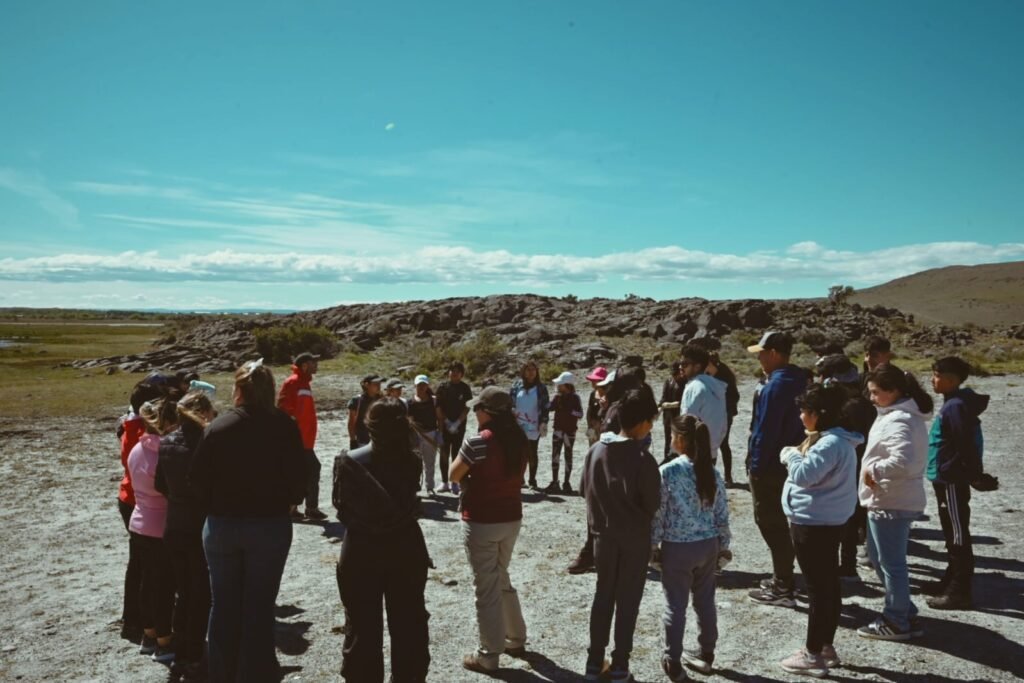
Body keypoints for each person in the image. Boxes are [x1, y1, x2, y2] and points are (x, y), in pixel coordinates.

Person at [190, 359, 307, 683]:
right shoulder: (285, 426)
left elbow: (197, 483)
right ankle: (255, 674)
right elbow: (300, 484)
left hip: (223, 526)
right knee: (259, 606)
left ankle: (221, 673)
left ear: (239, 390)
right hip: (269, 526)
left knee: (223, 605)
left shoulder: (217, 428)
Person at [332, 398, 431, 682]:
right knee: (409, 624)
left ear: (368, 426)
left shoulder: (348, 462)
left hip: (361, 549)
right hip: (405, 547)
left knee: (362, 626)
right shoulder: (412, 461)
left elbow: (342, 510)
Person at [777, 384, 861, 677]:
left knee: (817, 589)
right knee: (828, 585)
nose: (800, 416)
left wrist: (790, 455)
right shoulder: (840, 441)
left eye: (804, 411)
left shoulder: (829, 444)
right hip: (829, 520)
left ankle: (812, 654)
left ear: (817, 414)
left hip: (813, 523)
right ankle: (825, 645)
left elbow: (804, 476)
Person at [582, 389, 661, 683]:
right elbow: (652, 504)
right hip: (634, 541)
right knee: (628, 602)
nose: (651, 426)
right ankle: (619, 666)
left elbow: (584, 490)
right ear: (640, 422)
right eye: (650, 421)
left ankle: (593, 663)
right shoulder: (644, 460)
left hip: (602, 537)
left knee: (603, 596)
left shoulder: (595, 452)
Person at [449, 386, 529, 675]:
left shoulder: (478, 442)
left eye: (477, 408)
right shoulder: (519, 438)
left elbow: (453, 474)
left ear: (487, 412)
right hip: (511, 518)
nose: (474, 413)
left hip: (482, 520)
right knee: (501, 576)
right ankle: (516, 638)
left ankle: (488, 654)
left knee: (486, 588)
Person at [856, 365, 933, 640]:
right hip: (887, 498)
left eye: (876, 392)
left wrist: (872, 471)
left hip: (891, 499)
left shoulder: (900, 419)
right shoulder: (896, 415)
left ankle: (897, 619)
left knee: (891, 563)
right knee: (880, 558)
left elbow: (904, 461)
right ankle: (903, 609)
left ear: (894, 391)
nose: (871, 397)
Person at [652, 415, 730, 681]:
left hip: (678, 547)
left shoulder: (669, 472)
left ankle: (672, 660)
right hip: (708, 545)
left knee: (675, 604)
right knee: (705, 601)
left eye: (673, 435)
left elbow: (659, 513)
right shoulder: (712, 471)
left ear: (681, 440)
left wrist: (653, 545)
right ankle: (706, 654)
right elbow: (722, 512)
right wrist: (724, 546)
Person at [155, 390, 216, 680]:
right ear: (203, 413)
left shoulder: (166, 442)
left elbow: (160, 483)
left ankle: (181, 649)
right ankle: (193, 653)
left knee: (183, 591)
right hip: (199, 528)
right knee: (201, 593)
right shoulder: (207, 444)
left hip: (175, 525)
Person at [745, 331, 807, 607]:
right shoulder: (800, 379)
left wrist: (755, 465)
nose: (758, 357)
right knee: (787, 520)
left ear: (774, 353)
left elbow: (765, 430)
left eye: (761, 352)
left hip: (771, 464)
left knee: (770, 521)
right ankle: (786, 578)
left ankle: (783, 584)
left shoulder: (775, 387)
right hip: (791, 459)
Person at [924, 356, 989, 610]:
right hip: (946, 477)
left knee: (957, 534)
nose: (933, 379)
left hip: (951, 478)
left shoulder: (955, 407)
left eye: (936, 375)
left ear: (950, 380)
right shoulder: (954, 403)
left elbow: (964, 444)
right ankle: (950, 580)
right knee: (952, 531)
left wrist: (974, 475)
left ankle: (959, 591)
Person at [127, 398, 179, 664]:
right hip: (161, 526)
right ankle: (164, 640)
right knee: (165, 587)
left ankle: (148, 635)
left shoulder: (137, 448)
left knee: (147, 583)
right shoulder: (165, 451)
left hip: (139, 523)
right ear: (169, 423)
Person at [816, 353, 876, 576]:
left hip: (849, 466)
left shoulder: (847, 407)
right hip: (861, 464)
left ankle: (847, 564)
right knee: (856, 515)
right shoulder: (864, 403)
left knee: (848, 517)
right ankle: (855, 559)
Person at [116, 380, 166, 643]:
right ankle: (139, 620)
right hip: (142, 503)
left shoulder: (131, 425)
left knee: (138, 565)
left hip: (133, 500)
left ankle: (134, 618)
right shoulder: (141, 433)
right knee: (145, 568)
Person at [277, 351, 327, 521]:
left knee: (305, 471)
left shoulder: (304, 383)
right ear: (305, 365)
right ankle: (304, 508)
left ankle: (298, 508)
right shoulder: (293, 382)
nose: (316, 365)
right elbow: (283, 409)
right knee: (309, 469)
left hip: (305, 439)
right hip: (297, 440)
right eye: (313, 362)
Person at [678, 345, 729, 461]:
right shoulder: (717, 387)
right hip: (711, 452)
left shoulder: (693, 388)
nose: (680, 367)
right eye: (680, 364)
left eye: (685, 364)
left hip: (694, 454)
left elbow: (686, 423)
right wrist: (713, 447)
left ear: (697, 366)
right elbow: (723, 423)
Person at [509, 359, 550, 490]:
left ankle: (532, 480)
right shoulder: (516, 385)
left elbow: (545, 406)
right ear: (524, 371)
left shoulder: (541, 388)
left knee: (532, 452)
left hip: (534, 425)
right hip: (518, 425)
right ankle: (519, 479)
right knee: (518, 453)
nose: (531, 372)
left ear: (537, 372)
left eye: (533, 370)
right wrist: (511, 412)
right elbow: (510, 403)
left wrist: (544, 422)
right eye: (528, 369)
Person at [435, 362, 473, 494]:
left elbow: (467, 407)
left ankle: (455, 482)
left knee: (456, 454)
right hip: (444, 427)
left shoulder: (465, 388)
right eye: (452, 370)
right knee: (444, 454)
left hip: (459, 427)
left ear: (461, 374)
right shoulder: (442, 387)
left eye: (457, 371)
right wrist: (446, 422)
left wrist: (457, 423)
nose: (454, 373)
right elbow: (438, 407)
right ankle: (444, 482)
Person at [706, 351, 740, 487]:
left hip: (725, 414)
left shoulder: (724, 376)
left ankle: (728, 477)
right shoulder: (708, 375)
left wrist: (725, 408)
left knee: (723, 443)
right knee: (710, 442)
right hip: (714, 414)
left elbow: (735, 396)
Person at [547, 371, 584, 494]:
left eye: (560, 384)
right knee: (555, 455)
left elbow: (580, 414)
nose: (558, 386)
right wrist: (550, 403)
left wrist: (570, 411)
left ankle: (566, 482)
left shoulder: (575, 398)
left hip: (569, 431)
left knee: (568, 456)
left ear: (567, 385)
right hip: (558, 430)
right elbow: (549, 408)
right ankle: (555, 482)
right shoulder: (557, 397)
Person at [408, 374, 440, 495]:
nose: (421, 387)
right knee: (415, 463)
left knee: (430, 463)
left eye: (424, 385)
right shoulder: (410, 402)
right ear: (415, 386)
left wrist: (439, 434)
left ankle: (430, 487)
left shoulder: (434, 400)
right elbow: (409, 421)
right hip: (415, 436)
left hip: (431, 434)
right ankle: (414, 487)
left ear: (427, 386)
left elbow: (439, 418)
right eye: (419, 385)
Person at [658, 362, 685, 461]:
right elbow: (663, 399)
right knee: (667, 440)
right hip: (668, 417)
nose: (674, 376)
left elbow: (684, 401)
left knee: (678, 441)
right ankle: (666, 459)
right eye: (673, 374)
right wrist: (659, 408)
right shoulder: (668, 381)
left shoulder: (684, 383)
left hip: (678, 416)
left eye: (676, 373)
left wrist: (670, 405)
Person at [348, 375, 383, 449]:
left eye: (379, 384)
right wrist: (352, 440)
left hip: (380, 441)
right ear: (367, 385)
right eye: (375, 384)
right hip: (362, 441)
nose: (379, 386)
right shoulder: (357, 401)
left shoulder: (383, 400)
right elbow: (351, 423)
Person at [585, 367, 608, 446]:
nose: (592, 382)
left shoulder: (609, 395)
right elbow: (589, 411)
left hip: (604, 429)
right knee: (592, 449)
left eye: (595, 380)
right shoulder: (593, 394)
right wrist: (589, 426)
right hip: (593, 428)